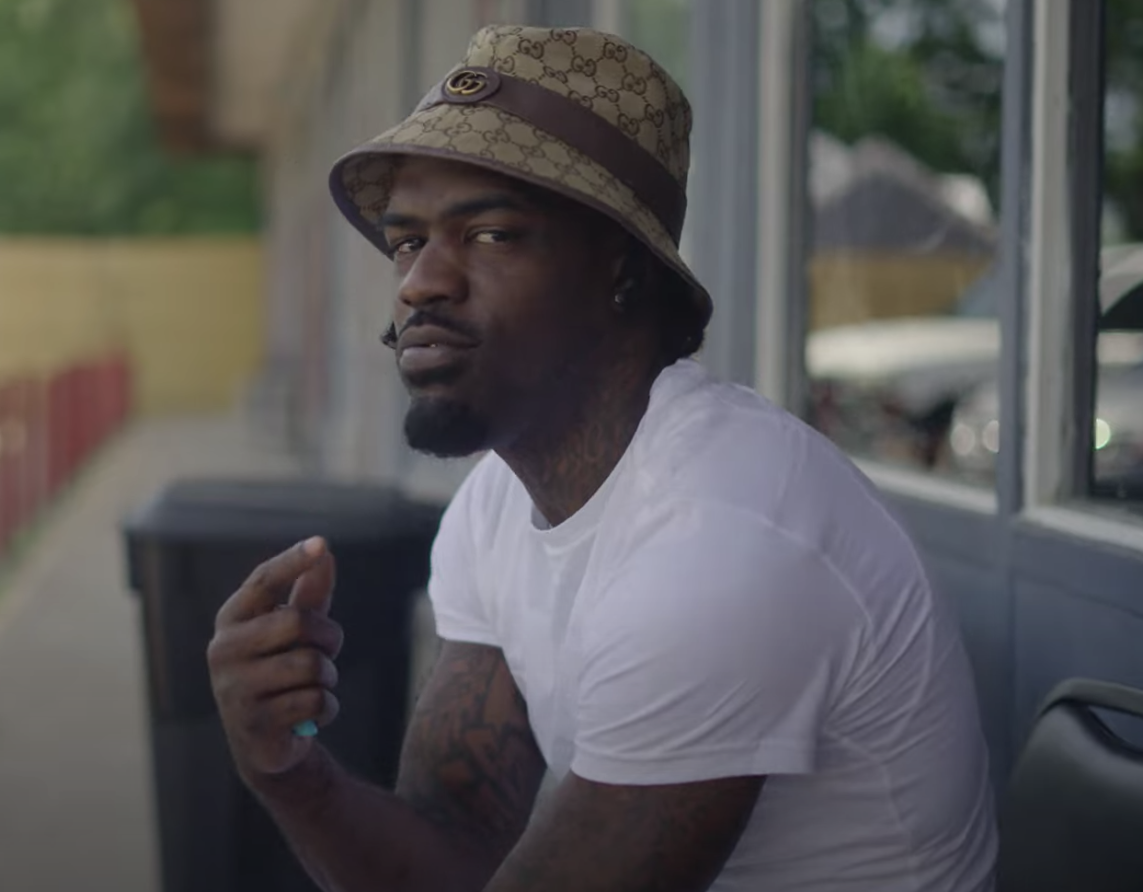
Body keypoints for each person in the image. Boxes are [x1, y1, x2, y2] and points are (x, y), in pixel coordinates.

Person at [206, 24, 998, 892]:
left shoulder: (718, 541)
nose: (421, 281)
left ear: (621, 268)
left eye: (491, 234)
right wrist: (290, 772)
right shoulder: (493, 506)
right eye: (407, 241)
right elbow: (456, 848)